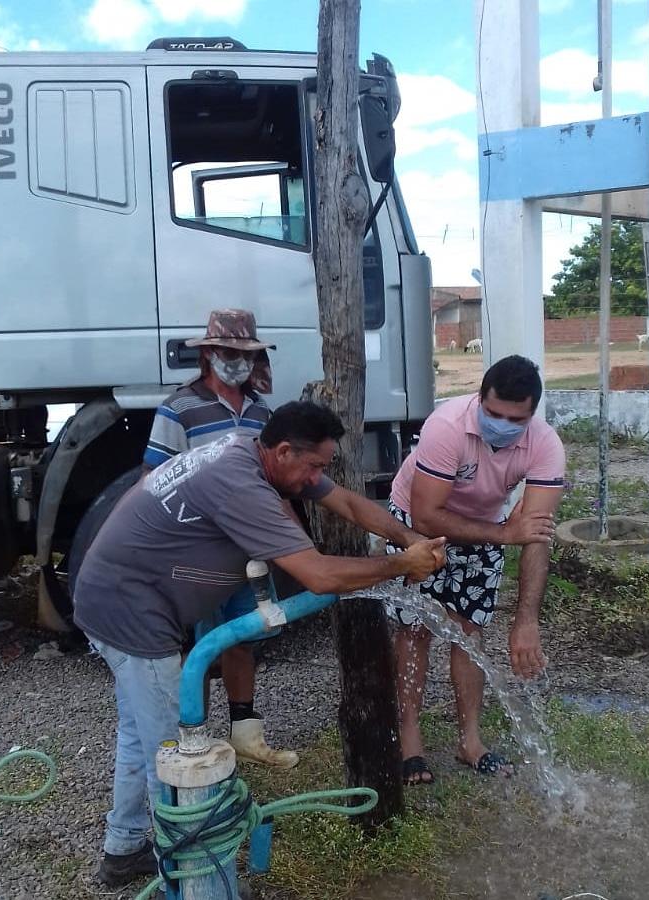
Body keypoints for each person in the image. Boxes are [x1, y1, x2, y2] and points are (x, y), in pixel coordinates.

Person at [73, 401, 446, 887]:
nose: (317, 477)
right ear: (285, 450)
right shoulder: (240, 484)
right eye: (313, 466)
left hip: (111, 596)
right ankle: (192, 878)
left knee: (138, 736)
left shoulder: (254, 455)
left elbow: (350, 505)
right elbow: (316, 574)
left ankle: (123, 849)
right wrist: (400, 566)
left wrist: (413, 540)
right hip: (130, 614)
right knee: (172, 758)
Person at [386, 355, 564, 786]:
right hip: (414, 526)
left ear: (532, 414)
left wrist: (526, 621)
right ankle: (410, 738)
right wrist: (504, 534)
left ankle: (470, 740)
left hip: (486, 527)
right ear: (479, 399)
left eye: (514, 418)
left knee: (469, 631)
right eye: (493, 413)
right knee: (415, 629)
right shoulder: (447, 426)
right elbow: (427, 515)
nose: (502, 424)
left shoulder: (545, 446)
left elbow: (534, 535)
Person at [144, 308, 294, 770]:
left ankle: (246, 730)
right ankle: (194, 739)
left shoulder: (260, 411)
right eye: (228, 353)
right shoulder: (179, 408)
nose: (237, 362)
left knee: (243, 633)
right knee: (196, 640)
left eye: (245, 354)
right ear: (208, 355)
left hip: (246, 547)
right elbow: (155, 477)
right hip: (197, 546)